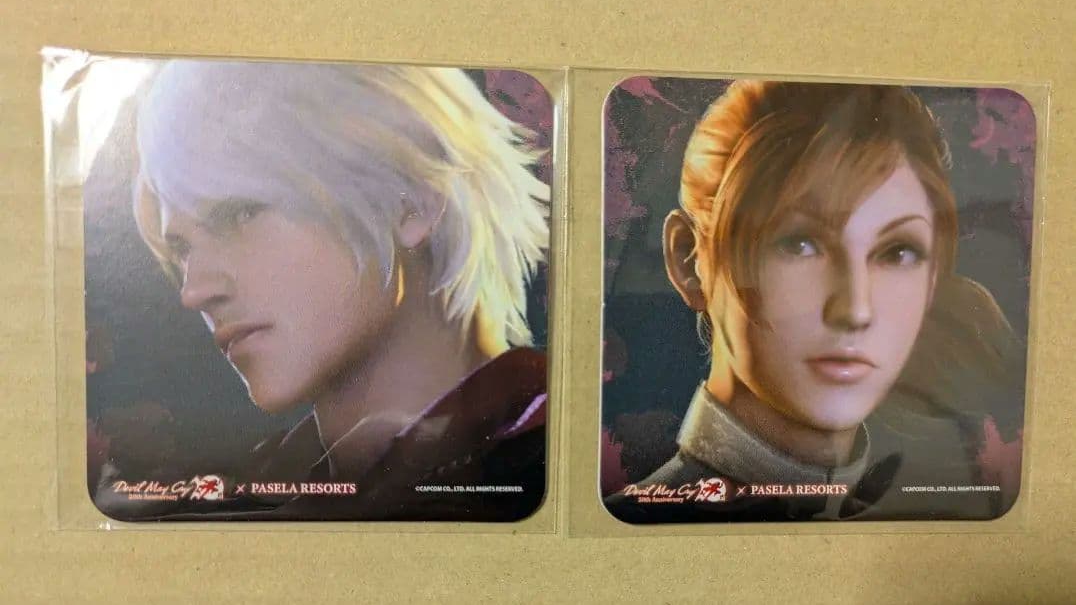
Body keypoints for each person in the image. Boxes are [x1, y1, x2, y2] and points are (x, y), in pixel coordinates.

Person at [113, 60, 550, 521]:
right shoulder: (255, 490)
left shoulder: (564, 459)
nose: (194, 291)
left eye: (241, 214)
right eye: (182, 249)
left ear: (411, 204)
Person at [605, 81, 1023, 523]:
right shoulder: (627, 534)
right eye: (799, 243)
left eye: (898, 252)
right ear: (689, 260)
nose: (856, 310)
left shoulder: (963, 512)